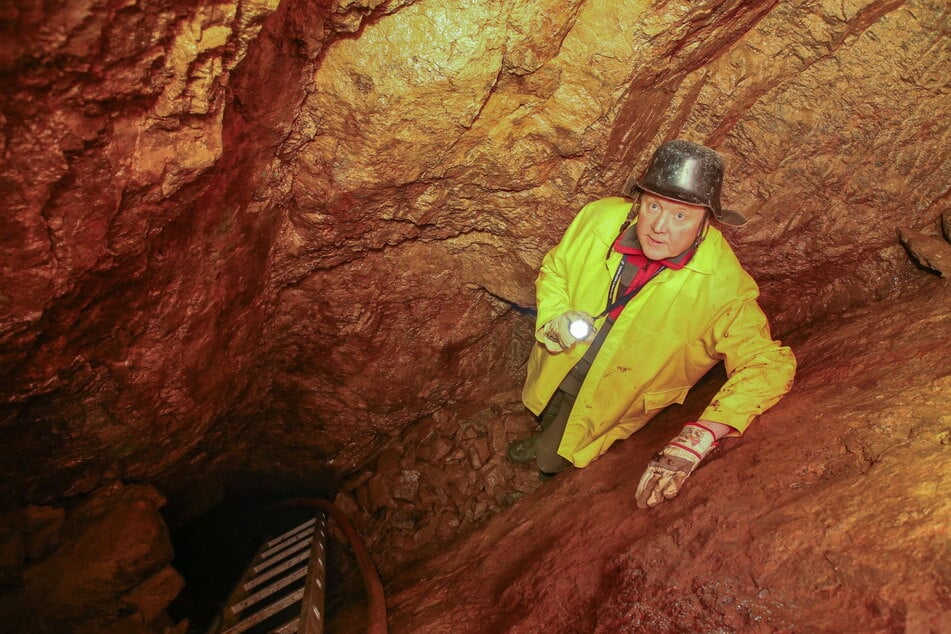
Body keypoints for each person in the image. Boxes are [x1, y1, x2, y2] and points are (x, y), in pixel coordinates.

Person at [508, 140, 796, 509]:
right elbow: (556, 269)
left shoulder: (721, 288)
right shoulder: (598, 220)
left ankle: (543, 479)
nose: (659, 227)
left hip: (614, 396)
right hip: (561, 359)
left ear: (706, 222)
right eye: (654, 205)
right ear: (638, 201)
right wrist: (555, 315)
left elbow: (769, 364)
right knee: (547, 407)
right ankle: (539, 441)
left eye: (681, 216)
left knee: (564, 447)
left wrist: (701, 435)